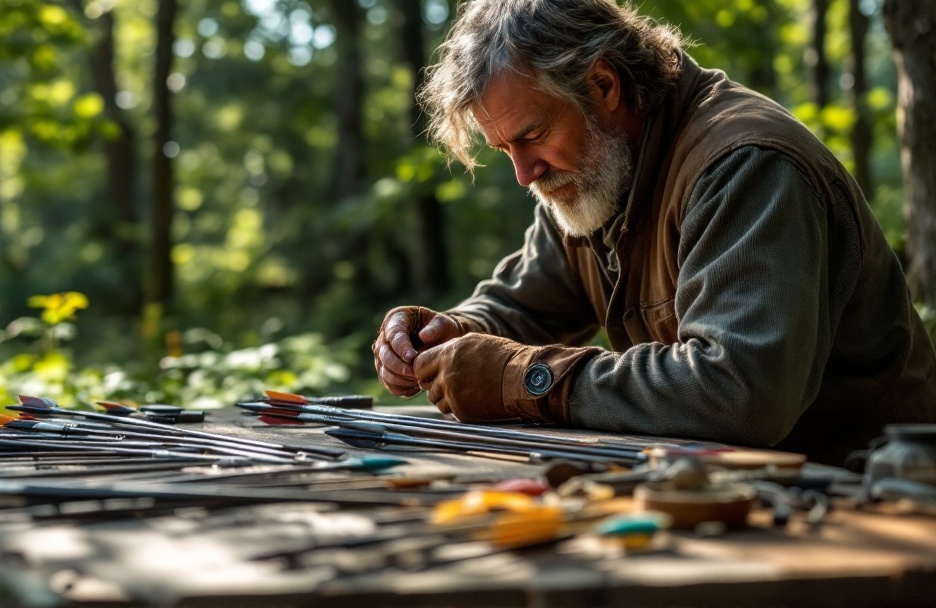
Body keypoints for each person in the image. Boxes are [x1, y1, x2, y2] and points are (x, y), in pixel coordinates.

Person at [371, 0, 936, 465]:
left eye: (533, 134)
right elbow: (525, 307)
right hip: (741, 495)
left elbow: (740, 392)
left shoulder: (746, 164)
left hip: (870, 500)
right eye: (504, 151)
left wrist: (529, 379)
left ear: (604, 84)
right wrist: (445, 335)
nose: (524, 174)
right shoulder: (590, 174)